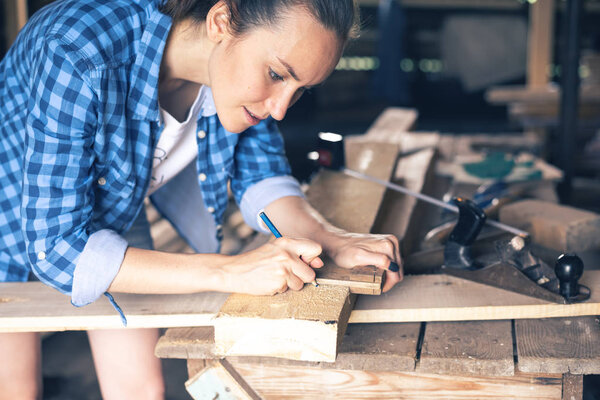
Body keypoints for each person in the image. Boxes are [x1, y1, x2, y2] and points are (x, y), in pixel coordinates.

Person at [0, 0, 403, 398]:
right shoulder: (77, 48)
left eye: (300, 90)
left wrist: (333, 240)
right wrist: (229, 271)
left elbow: (263, 176)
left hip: (112, 204)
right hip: (7, 206)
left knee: (140, 389)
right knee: (15, 387)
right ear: (221, 21)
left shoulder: (234, 76)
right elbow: (58, 249)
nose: (280, 109)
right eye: (277, 74)